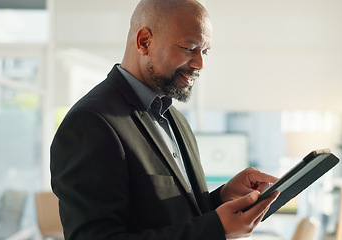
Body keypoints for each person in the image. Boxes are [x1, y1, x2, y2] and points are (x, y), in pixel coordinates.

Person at [50, 0, 279, 239]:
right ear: (144, 42)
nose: (200, 63)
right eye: (189, 48)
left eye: (205, 51)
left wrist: (222, 197)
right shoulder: (90, 123)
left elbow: (172, 217)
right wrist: (215, 229)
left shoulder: (174, 118)